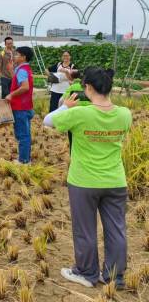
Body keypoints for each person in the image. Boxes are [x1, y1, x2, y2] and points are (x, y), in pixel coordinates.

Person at [43, 67, 132, 289]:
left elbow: (47, 121)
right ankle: (115, 277)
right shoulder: (124, 114)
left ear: (88, 87)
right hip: (115, 180)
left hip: (84, 181)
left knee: (85, 230)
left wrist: (65, 106)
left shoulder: (80, 113)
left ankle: (87, 273)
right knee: (116, 229)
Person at [5, 47, 35, 164]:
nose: (14, 56)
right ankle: (25, 158)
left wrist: (11, 95)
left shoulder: (22, 70)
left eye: (17, 55)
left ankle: (23, 161)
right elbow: (18, 81)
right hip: (26, 106)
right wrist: (12, 70)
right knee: (25, 134)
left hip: (20, 108)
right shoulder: (24, 69)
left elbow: (25, 87)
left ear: (23, 57)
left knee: (22, 135)